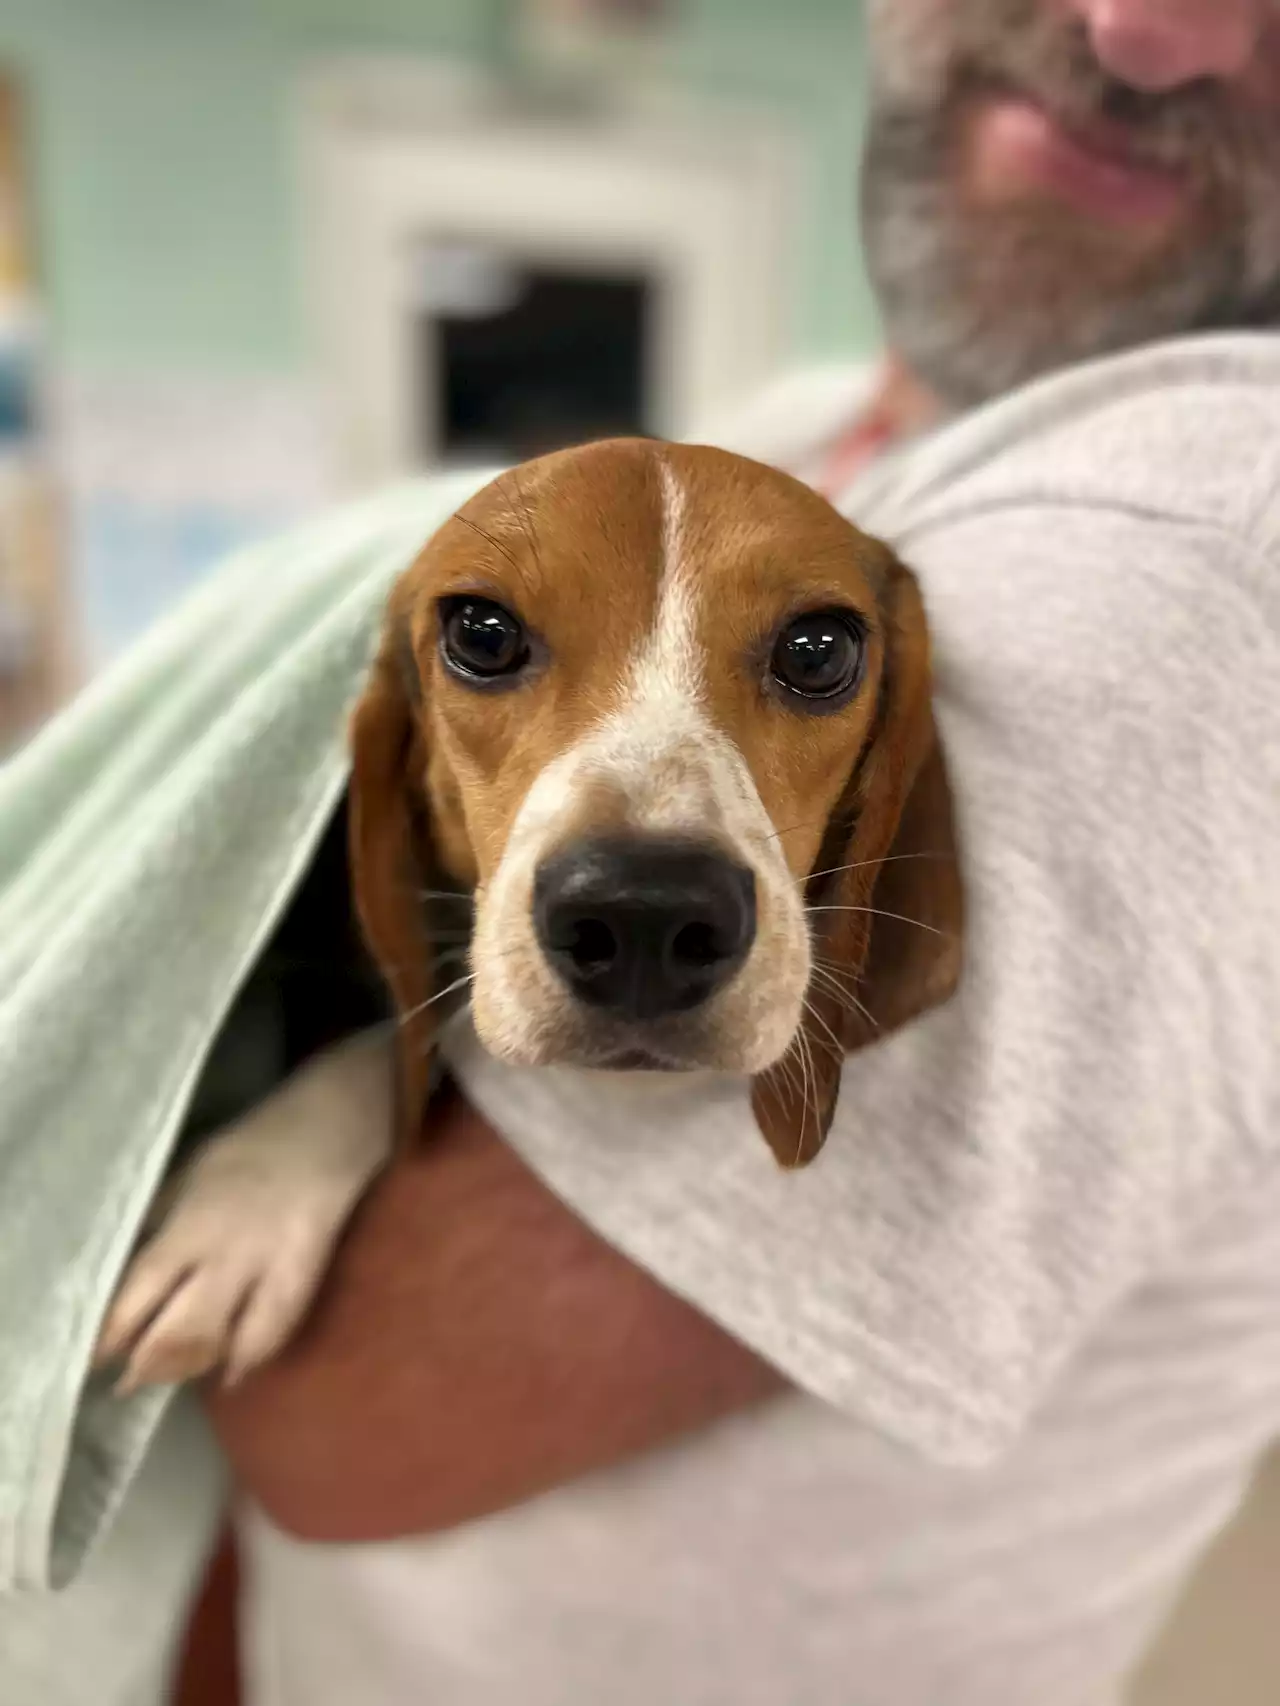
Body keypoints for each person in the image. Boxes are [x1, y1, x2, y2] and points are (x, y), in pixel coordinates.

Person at [15, 2, 1280, 1702]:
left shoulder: (1201, 538)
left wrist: (330, 1129)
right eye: (491, 642)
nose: (1142, 25)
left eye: (810, 660)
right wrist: (331, 1094)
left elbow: (328, 1424)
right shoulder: (795, 428)